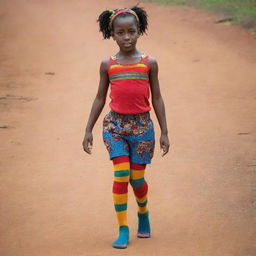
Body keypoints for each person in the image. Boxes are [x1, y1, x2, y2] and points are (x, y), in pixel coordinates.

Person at [82, 6, 170, 249]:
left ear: (139, 30)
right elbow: (100, 98)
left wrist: (164, 131)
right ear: (112, 34)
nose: (127, 37)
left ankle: (143, 212)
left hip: (142, 128)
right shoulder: (107, 65)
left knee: (137, 180)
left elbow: (158, 99)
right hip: (115, 126)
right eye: (120, 33)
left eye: (131, 31)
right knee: (121, 175)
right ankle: (123, 227)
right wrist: (88, 129)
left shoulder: (149, 63)